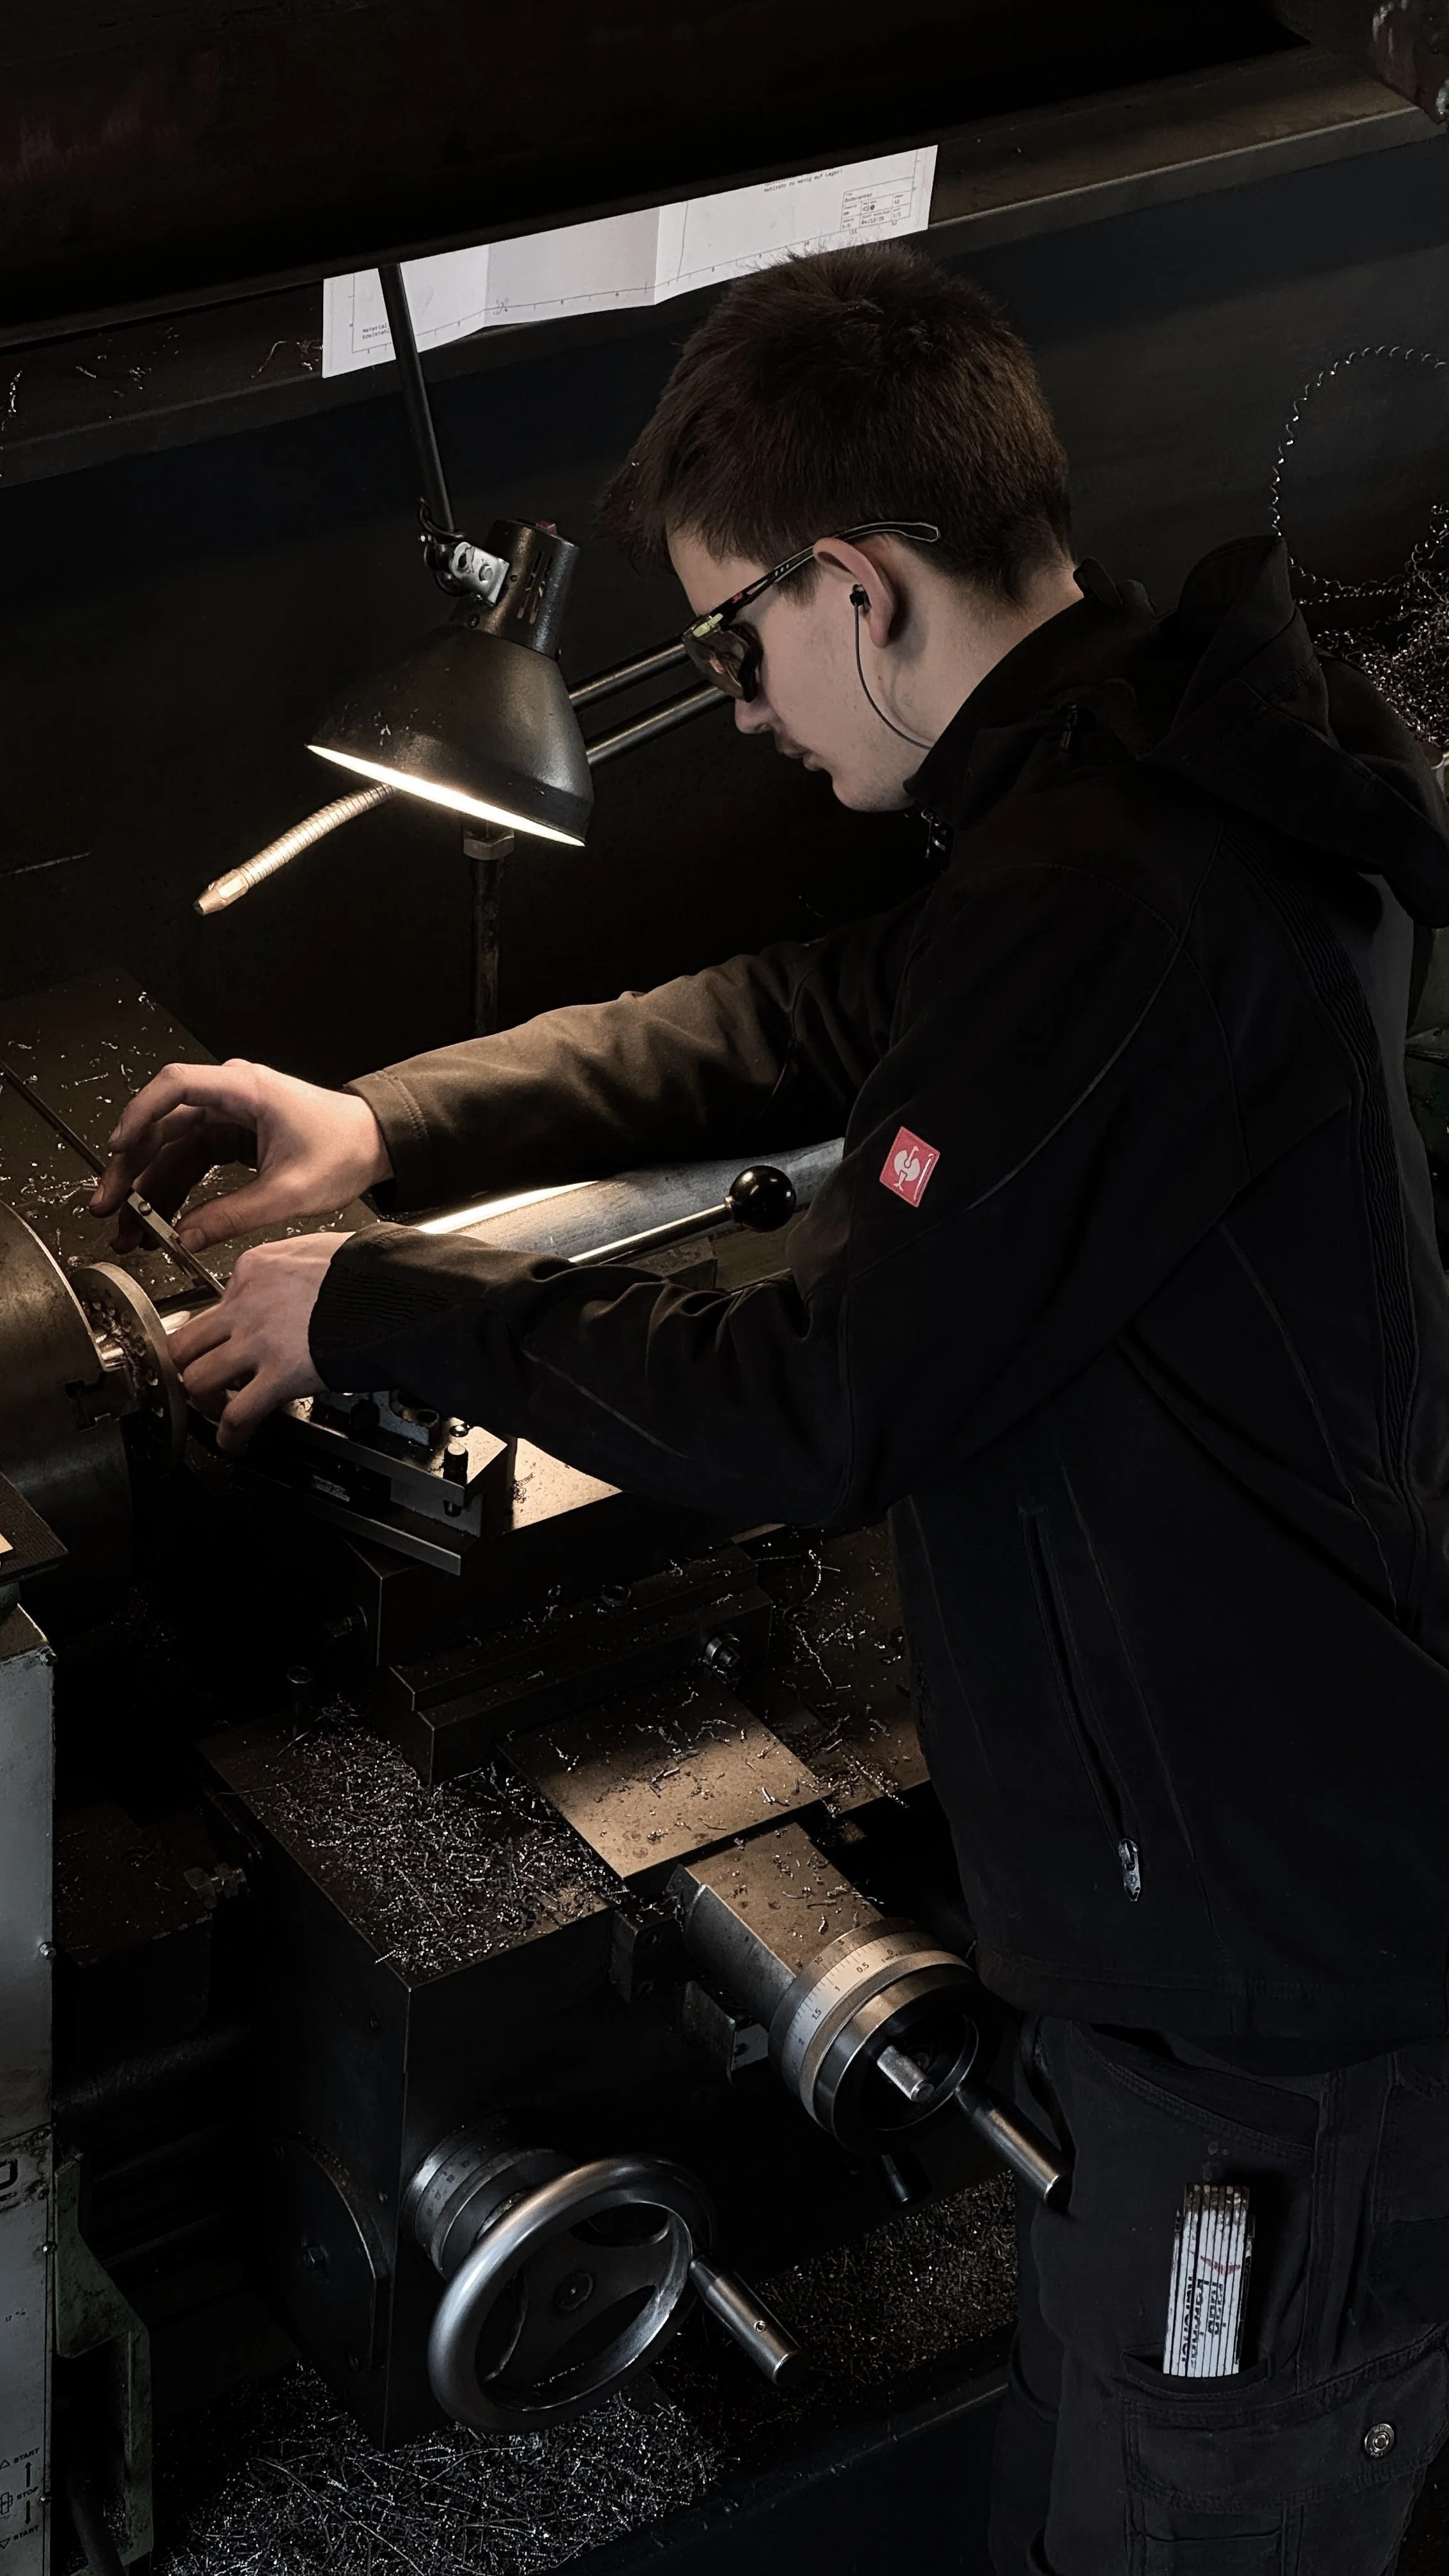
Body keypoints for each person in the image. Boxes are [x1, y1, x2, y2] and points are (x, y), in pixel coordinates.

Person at [89, 245, 1449, 2572]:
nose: (730, 707)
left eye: (735, 638)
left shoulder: (1126, 894)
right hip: (1213, 1931)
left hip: (1265, 1993)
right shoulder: (1118, 792)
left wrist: (378, 1312)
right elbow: (814, 1010)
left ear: (860, 581)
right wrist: (392, 1123)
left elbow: (822, 1406)